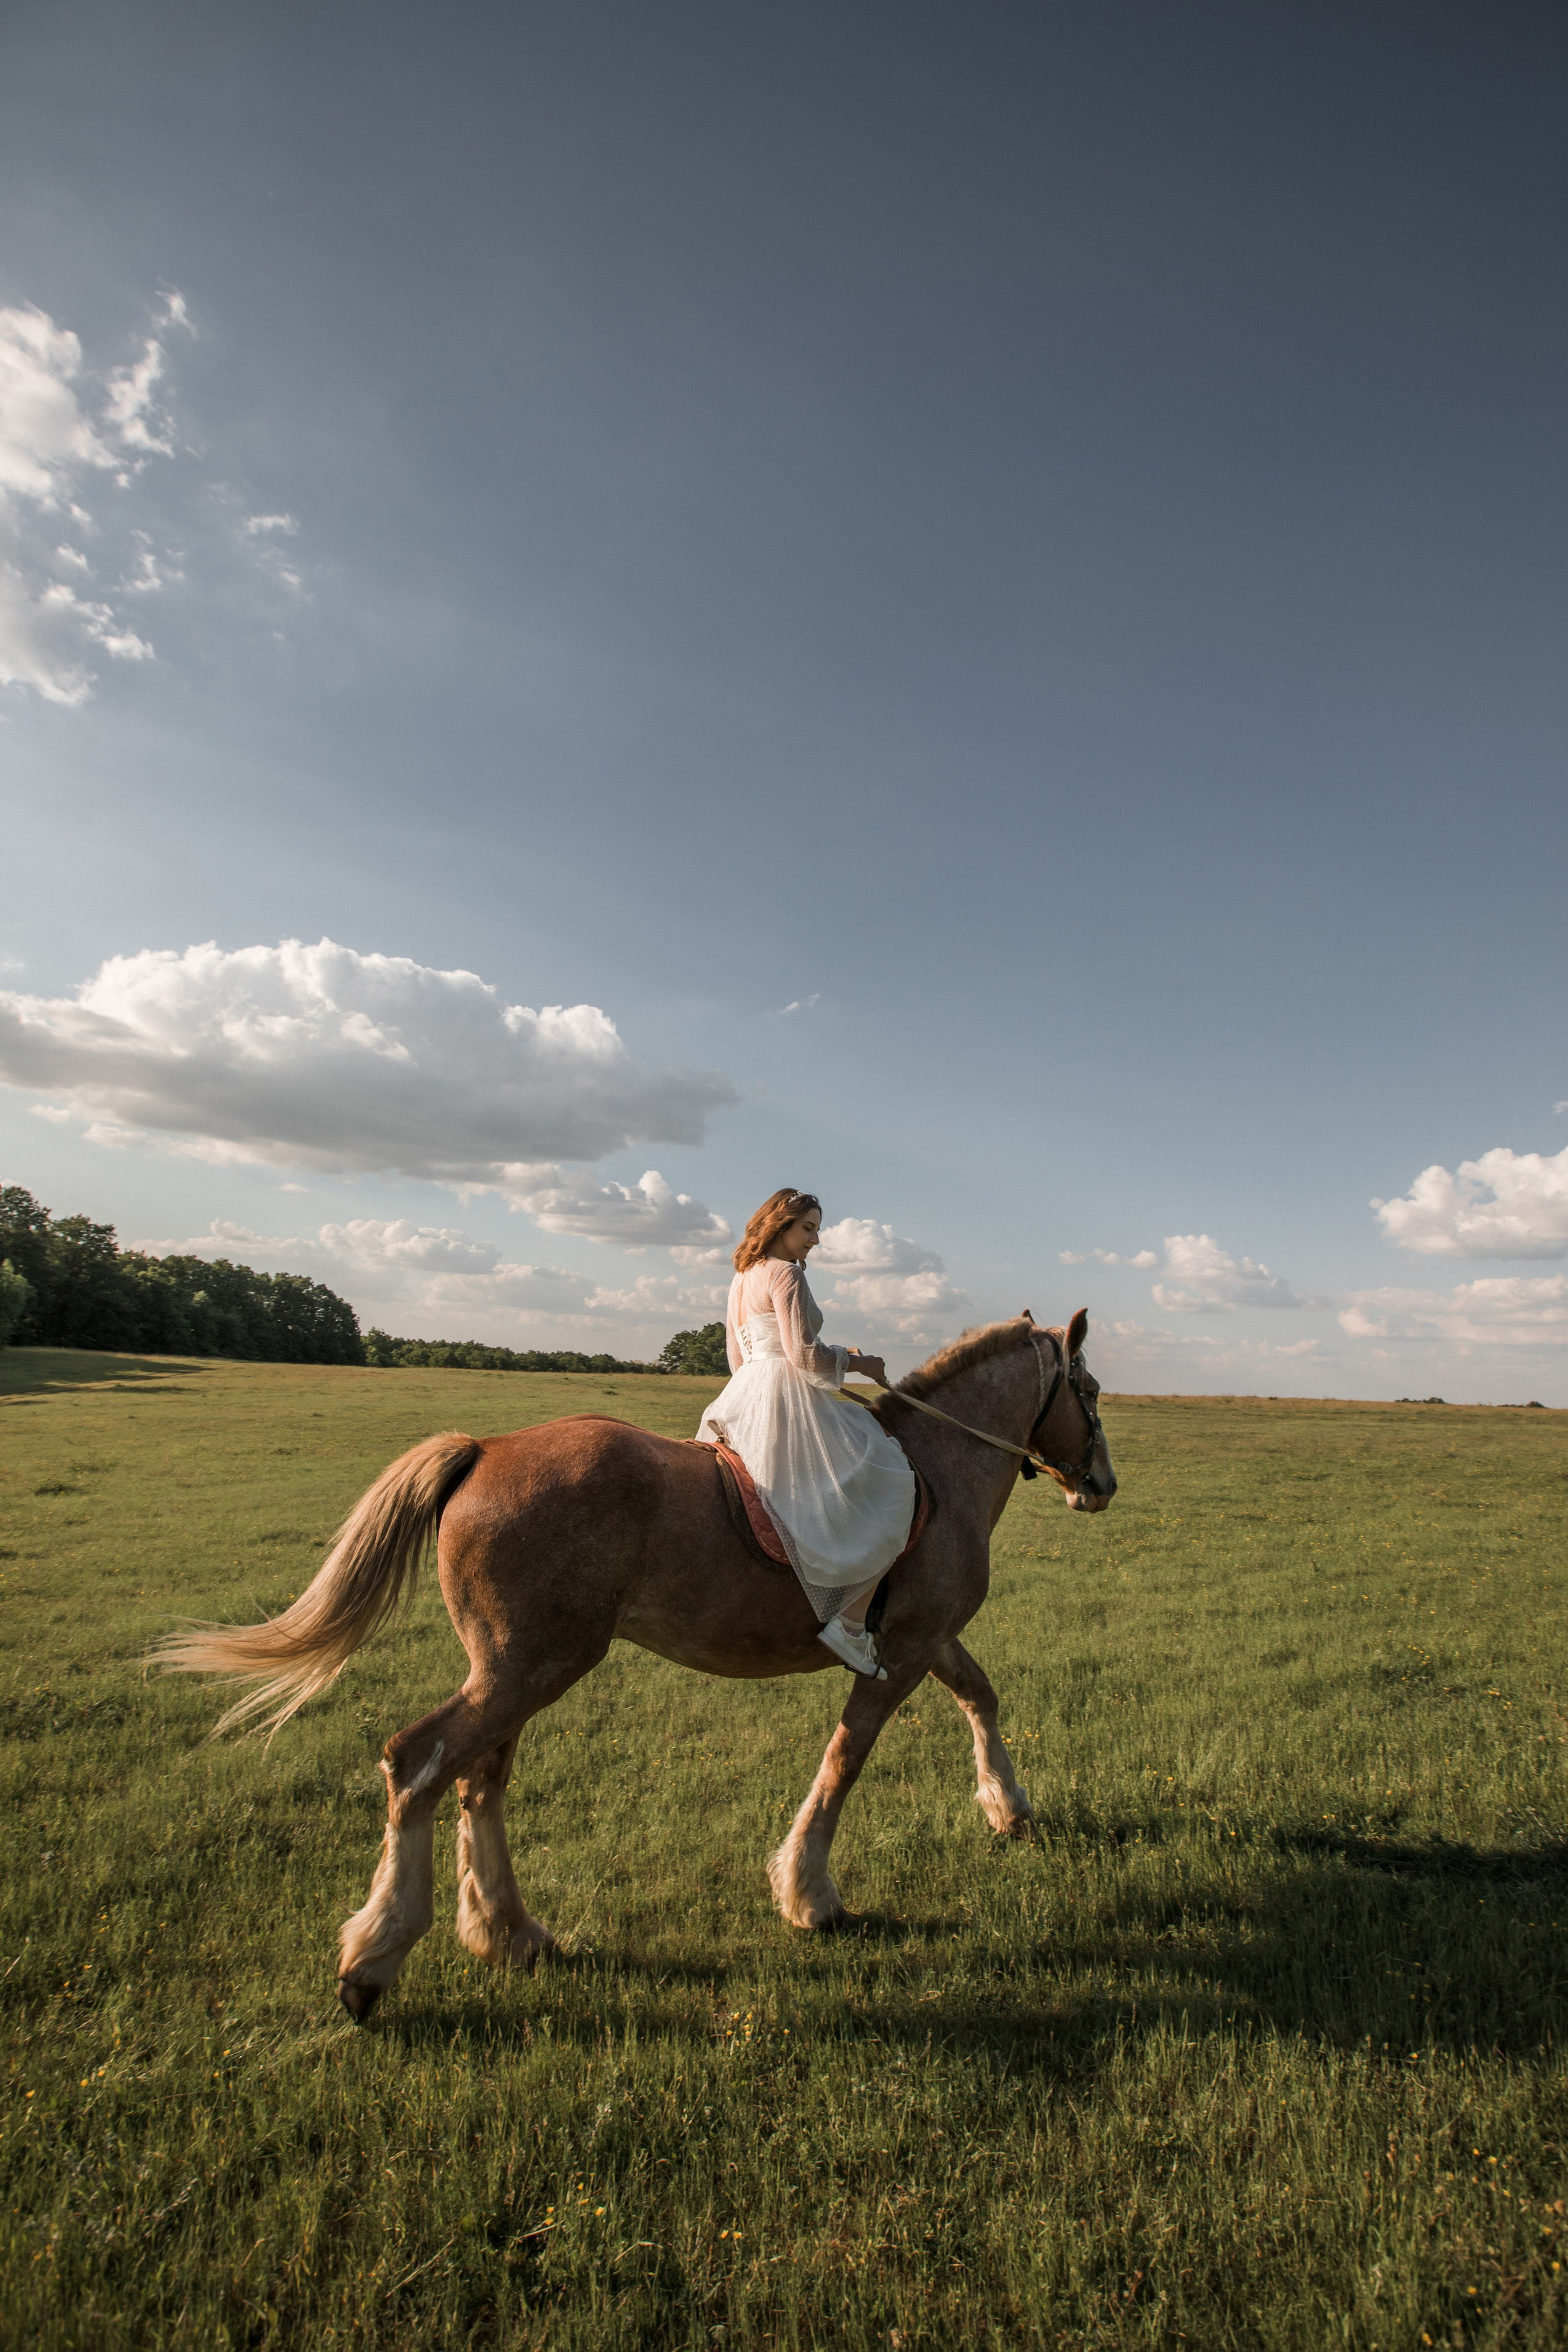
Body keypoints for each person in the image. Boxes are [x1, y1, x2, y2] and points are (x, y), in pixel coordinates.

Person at [696, 1188, 916, 1678]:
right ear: (780, 1226)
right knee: (893, 1485)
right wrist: (860, 1363)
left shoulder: (742, 1279)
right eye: (808, 1228)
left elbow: (738, 1359)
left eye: (817, 1229)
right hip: (787, 1395)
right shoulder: (786, 1274)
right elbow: (804, 1358)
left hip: (747, 1392)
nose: (815, 1241)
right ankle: (852, 1626)